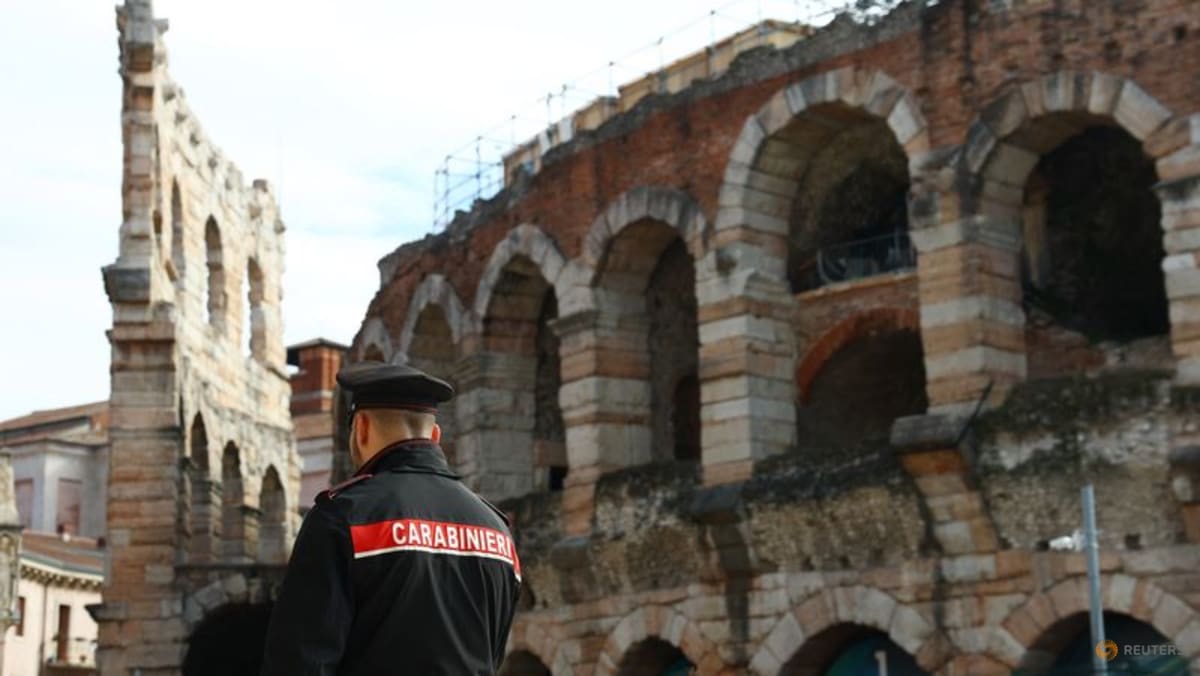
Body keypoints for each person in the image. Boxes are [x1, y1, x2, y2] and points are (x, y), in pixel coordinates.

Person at [260, 361, 521, 675]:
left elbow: (300, 664)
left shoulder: (343, 517)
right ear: (434, 435)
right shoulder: (497, 530)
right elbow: (492, 655)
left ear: (362, 429)